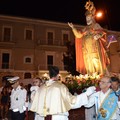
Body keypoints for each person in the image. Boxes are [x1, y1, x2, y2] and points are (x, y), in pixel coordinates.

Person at [30, 66, 96, 120]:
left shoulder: (41, 88)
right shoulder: (60, 87)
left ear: (49, 75)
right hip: (57, 117)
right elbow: (71, 101)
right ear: (58, 75)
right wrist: (86, 94)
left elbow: (34, 99)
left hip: (41, 117)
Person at [68, 0, 110, 75]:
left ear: (92, 18)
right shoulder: (85, 28)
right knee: (88, 61)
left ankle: (99, 74)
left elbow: (103, 32)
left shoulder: (96, 25)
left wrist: (98, 35)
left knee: (95, 60)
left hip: (95, 47)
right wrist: (73, 28)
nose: (87, 20)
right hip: (86, 49)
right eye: (86, 19)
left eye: (89, 18)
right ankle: (91, 75)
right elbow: (78, 35)